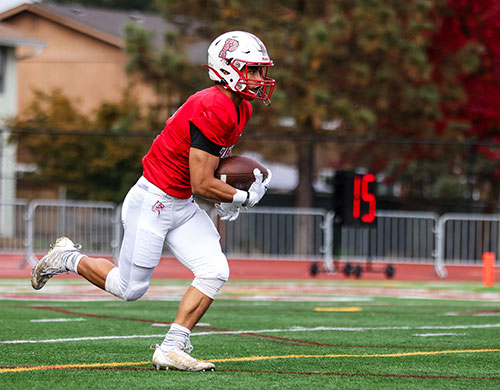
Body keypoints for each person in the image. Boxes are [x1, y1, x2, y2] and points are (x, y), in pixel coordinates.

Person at [30, 30, 275, 372]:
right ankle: (67, 257)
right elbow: (201, 181)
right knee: (129, 289)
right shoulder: (214, 105)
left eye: (260, 70)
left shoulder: (240, 107)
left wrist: (228, 193)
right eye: (251, 70)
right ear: (228, 68)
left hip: (182, 203)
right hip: (154, 201)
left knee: (214, 270)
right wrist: (242, 197)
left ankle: (172, 347)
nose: (259, 79)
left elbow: (209, 168)